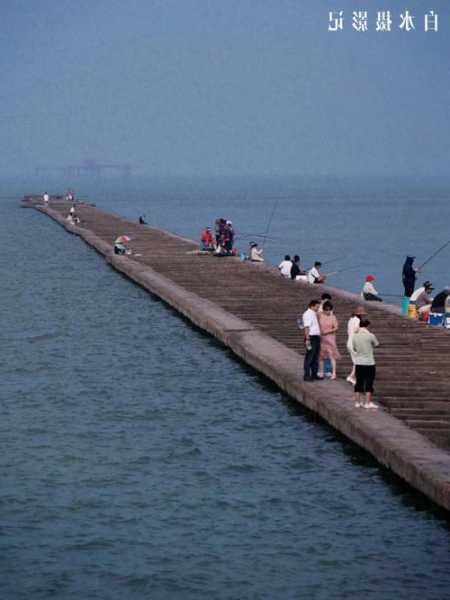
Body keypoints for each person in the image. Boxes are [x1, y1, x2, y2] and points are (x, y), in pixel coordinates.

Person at [351, 319, 379, 409]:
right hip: (369, 362)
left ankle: (357, 402)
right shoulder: (370, 335)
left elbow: (354, 348)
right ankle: (367, 403)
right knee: (369, 382)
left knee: (358, 382)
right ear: (367, 326)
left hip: (359, 362)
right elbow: (376, 344)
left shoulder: (355, 336)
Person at [318, 301, 341, 380]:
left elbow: (336, 327)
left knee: (332, 356)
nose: (328, 311)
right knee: (321, 356)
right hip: (321, 338)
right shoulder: (320, 315)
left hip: (330, 338)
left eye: (329, 310)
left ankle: (333, 373)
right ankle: (321, 372)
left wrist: (327, 331)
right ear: (323, 309)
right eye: (326, 310)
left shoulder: (332, 316)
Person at [302, 299, 322, 381]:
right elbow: (306, 327)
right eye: (317, 306)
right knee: (309, 357)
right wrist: (307, 339)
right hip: (311, 337)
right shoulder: (308, 314)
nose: (318, 308)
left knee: (315, 356)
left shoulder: (313, 313)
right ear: (312, 306)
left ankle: (314, 374)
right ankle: (307, 375)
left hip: (316, 337)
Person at [346, 305, 366, 385]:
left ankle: (352, 377)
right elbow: (356, 330)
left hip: (349, 341)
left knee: (356, 361)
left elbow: (350, 331)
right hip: (354, 342)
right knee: (358, 361)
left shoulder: (350, 320)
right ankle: (351, 377)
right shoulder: (357, 320)